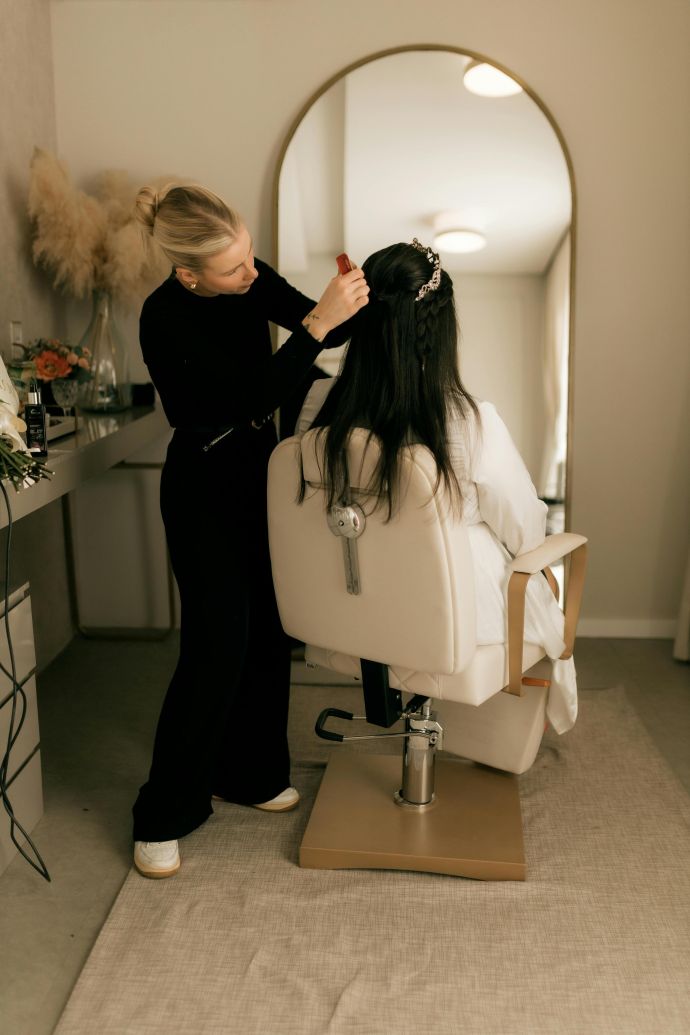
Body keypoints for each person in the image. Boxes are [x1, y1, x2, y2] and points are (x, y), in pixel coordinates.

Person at [131, 183, 369, 878]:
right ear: (188, 274)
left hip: (259, 477)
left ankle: (250, 774)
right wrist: (318, 326)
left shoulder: (248, 275)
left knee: (268, 629)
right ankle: (162, 813)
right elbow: (246, 396)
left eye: (249, 259)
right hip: (202, 485)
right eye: (234, 269)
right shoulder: (162, 317)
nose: (250, 273)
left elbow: (321, 322)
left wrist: (357, 293)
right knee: (215, 645)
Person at [296, 239, 577, 732]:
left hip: (342, 610)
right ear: (440, 329)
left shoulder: (319, 405)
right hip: (449, 622)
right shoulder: (468, 419)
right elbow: (525, 529)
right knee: (540, 569)